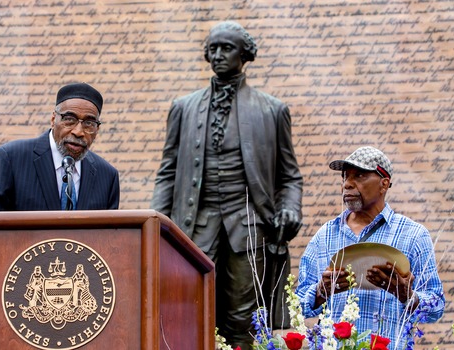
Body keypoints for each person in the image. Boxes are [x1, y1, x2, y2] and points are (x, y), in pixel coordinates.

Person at [151, 21, 303, 349]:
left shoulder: (273, 111)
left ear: (244, 54)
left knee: (243, 318)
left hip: (248, 228)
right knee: (187, 311)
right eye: (213, 48)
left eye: (226, 48)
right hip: (193, 227)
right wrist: (158, 227)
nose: (217, 55)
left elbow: (290, 176)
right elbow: (167, 173)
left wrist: (290, 209)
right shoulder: (183, 107)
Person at [297, 146, 444, 349]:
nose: (347, 184)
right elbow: (298, 305)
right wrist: (321, 291)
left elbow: (436, 307)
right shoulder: (325, 235)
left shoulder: (414, 235)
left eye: (359, 176)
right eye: (345, 177)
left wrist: (408, 296)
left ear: (384, 184)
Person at [0, 82, 120, 211]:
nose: (78, 132)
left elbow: (109, 238)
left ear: (97, 130)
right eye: (69, 119)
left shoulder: (107, 176)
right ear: (53, 120)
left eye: (89, 123)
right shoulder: (10, 159)